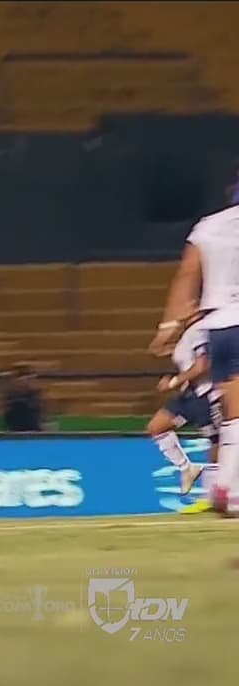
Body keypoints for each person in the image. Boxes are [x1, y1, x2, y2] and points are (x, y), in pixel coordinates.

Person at [150, 176, 239, 514]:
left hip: (219, 327)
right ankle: (229, 489)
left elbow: (187, 274)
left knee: (234, 413)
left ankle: (226, 488)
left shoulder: (208, 226)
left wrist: (168, 326)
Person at [146, 312, 216, 498]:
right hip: (190, 396)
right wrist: (167, 332)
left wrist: (174, 382)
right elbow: (158, 349)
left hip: (206, 395)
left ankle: (217, 493)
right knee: (157, 426)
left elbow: (202, 366)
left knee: (218, 445)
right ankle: (187, 468)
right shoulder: (187, 333)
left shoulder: (201, 329)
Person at [0, 363, 45, 432]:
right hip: (14, 432)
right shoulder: (9, 397)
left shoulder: (35, 395)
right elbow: (6, 417)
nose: (21, 379)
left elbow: (39, 417)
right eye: (18, 376)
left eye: (24, 376)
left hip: (33, 432)